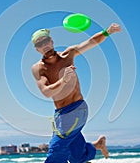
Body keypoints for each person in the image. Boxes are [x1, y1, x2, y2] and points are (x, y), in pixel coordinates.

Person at [31, 23, 121, 163]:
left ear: (52, 41)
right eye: (40, 43)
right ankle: (97, 146)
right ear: (37, 49)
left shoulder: (68, 54)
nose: (45, 45)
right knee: (76, 156)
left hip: (77, 109)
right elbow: (46, 92)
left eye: (46, 40)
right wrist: (64, 80)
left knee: (57, 149)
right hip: (60, 114)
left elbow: (90, 42)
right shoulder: (38, 68)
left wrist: (107, 32)